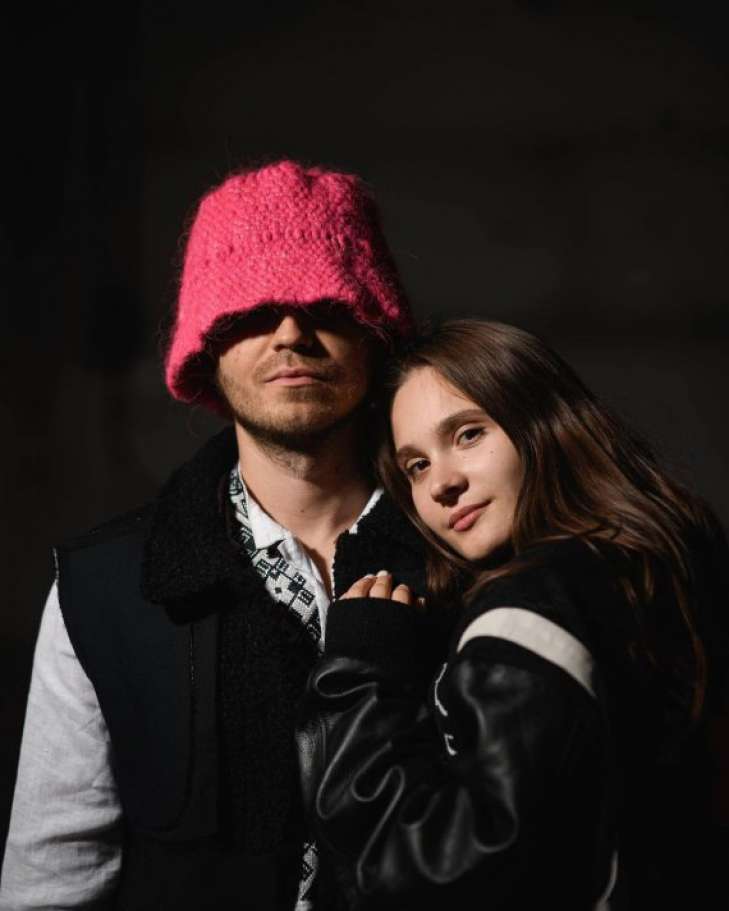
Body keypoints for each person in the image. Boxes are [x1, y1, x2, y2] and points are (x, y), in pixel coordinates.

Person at [0, 161, 429, 910]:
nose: (290, 333)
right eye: (251, 309)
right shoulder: (103, 587)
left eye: (324, 304)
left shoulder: (473, 554)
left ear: (375, 333)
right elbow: (53, 875)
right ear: (206, 349)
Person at [297, 319, 729, 909]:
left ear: (541, 424)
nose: (442, 483)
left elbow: (438, 878)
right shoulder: (652, 565)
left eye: (468, 434)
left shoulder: (530, 607)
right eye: (416, 465)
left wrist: (361, 677)